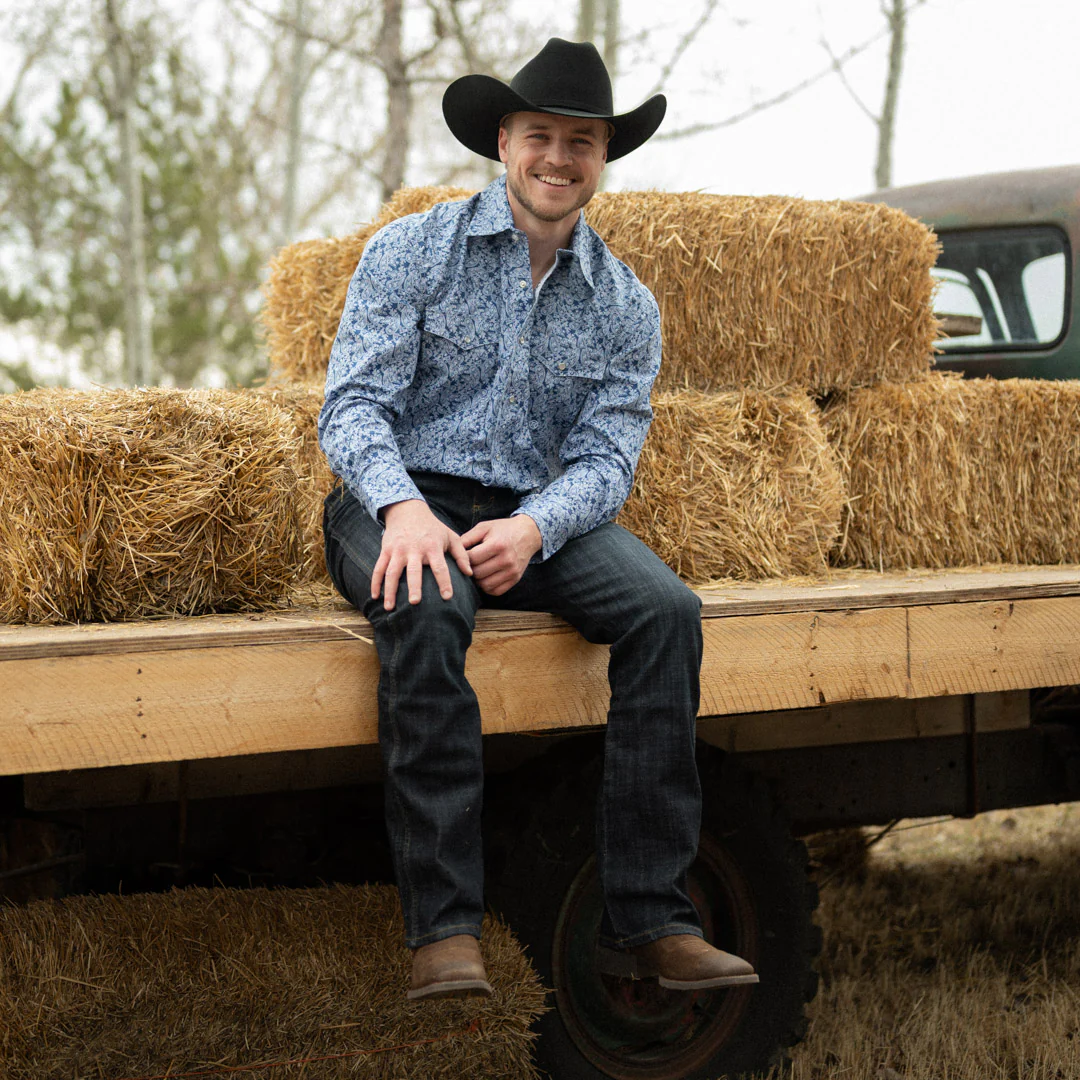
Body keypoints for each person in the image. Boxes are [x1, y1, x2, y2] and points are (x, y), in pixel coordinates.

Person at [318, 37, 758, 1001]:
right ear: (504, 143)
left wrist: (534, 530)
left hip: (528, 515)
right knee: (428, 604)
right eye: (540, 137)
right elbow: (351, 408)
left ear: (603, 158)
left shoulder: (626, 305)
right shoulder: (412, 251)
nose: (558, 158)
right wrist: (403, 509)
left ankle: (651, 919)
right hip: (396, 498)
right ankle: (445, 930)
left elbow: (606, 460)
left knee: (668, 612)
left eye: (581, 142)